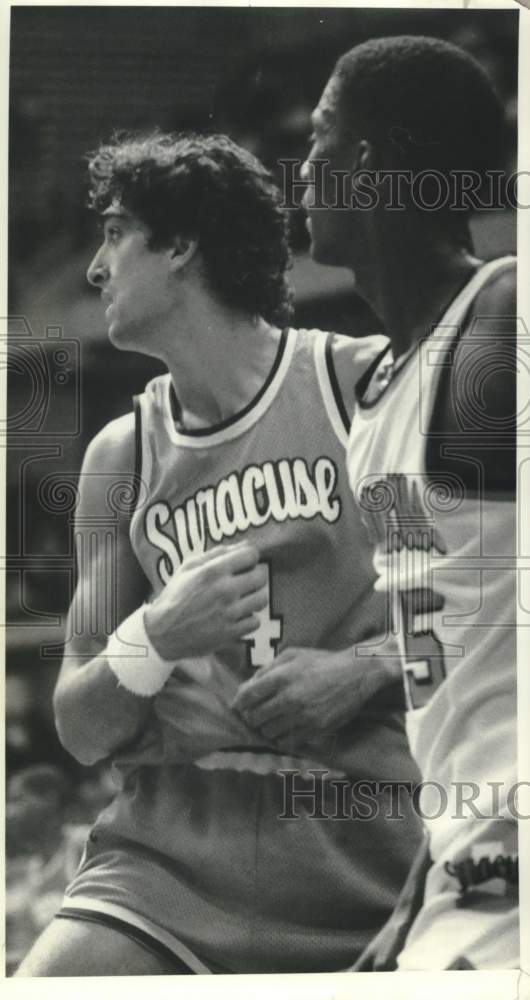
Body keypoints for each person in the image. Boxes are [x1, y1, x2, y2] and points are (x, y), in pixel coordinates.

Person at [16, 131, 422, 976]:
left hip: (371, 859)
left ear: (180, 246)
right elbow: (81, 726)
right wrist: (156, 634)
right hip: (166, 870)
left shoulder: (364, 389)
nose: (95, 268)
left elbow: (491, 610)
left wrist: (365, 668)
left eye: (115, 234)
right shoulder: (120, 457)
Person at [297, 35, 518, 969]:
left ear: (364, 161)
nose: (301, 167)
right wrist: (412, 898)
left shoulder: (502, 319)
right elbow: (453, 655)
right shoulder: (381, 396)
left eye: (318, 136)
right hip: (462, 861)